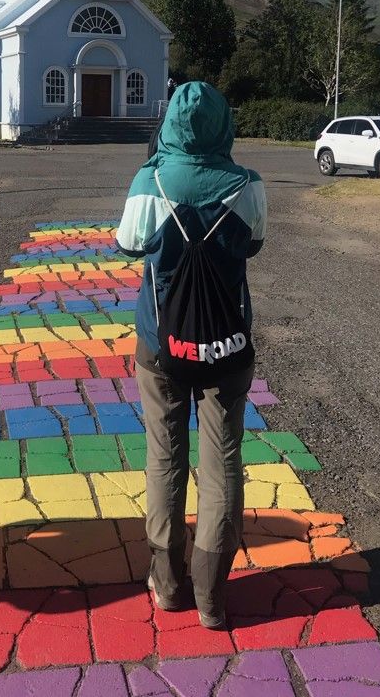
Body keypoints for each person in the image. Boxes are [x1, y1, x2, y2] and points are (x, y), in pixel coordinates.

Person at [117, 81, 267, 629]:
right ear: (224, 124)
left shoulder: (148, 182)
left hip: (162, 344)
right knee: (223, 456)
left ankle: (169, 580)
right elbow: (252, 244)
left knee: (165, 454)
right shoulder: (247, 184)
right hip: (227, 345)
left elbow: (129, 244)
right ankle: (211, 591)